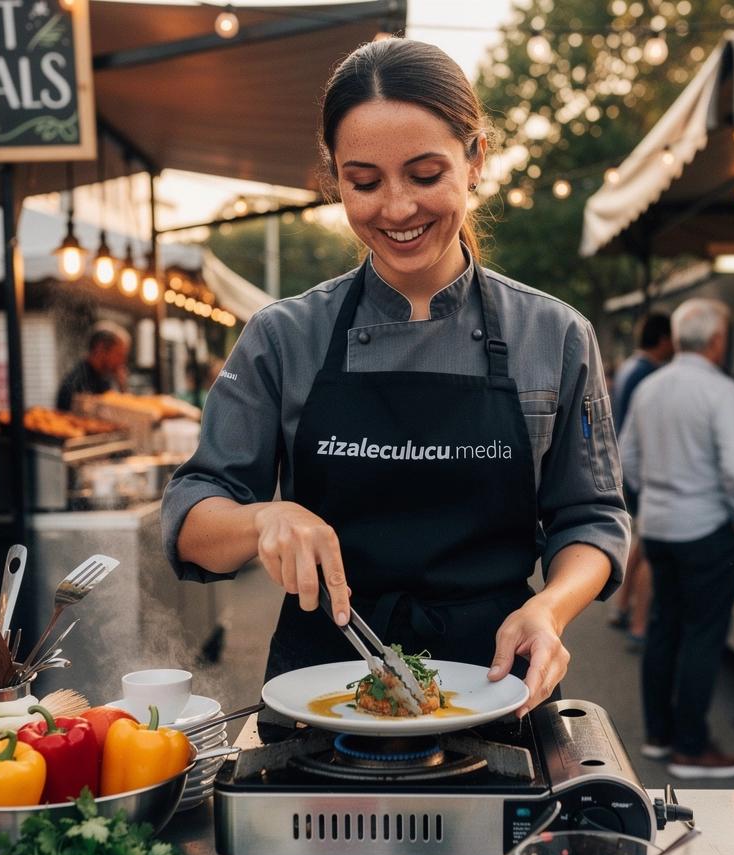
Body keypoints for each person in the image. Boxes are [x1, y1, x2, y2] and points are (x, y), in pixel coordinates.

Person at [162, 38, 630, 717]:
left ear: (476, 161)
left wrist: (551, 610)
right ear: (334, 179)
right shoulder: (284, 336)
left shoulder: (554, 336)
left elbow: (591, 518)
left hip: (497, 688)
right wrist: (265, 516)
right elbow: (189, 518)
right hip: (319, 697)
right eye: (365, 182)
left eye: (424, 173)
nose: (398, 208)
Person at [619, 298, 734, 778]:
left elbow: (627, 457)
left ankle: (659, 734)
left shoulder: (651, 387)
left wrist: (649, 497)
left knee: (664, 626)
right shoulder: (722, 391)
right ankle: (691, 746)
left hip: (659, 525)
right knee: (703, 633)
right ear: (717, 340)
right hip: (708, 526)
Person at [608, 312, 673, 647]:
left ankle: (622, 605)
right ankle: (638, 623)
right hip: (641, 471)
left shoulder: (631, 368)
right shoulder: (648, 374)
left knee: (639, 543)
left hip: (627, 465)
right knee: (647, 547)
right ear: (664, 338)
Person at [56, 322, 131, 412]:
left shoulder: (105, 379)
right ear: (100, 348)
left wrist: (123, 387)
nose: (122, 361)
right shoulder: (75, 382)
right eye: (119, 354)